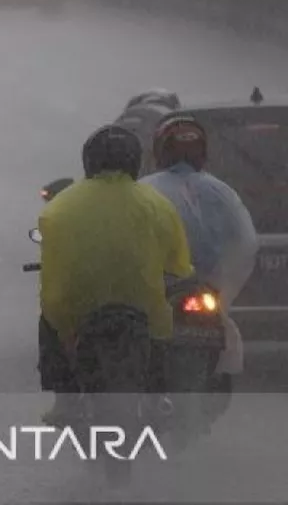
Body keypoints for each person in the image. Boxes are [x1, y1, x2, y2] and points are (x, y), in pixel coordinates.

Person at [36, 124, 194, 423]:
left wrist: (62, 318)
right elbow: (179, 265)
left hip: (81, 308)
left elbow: (53, 272)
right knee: (162, 338)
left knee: (48, 324)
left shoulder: (60, 207)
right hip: (144, 308)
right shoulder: (157, 204)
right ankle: (158, 399)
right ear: (135, 161)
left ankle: (64, 402)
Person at [140, 116, 259, 382]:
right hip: (205, 292)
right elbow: (246, 243)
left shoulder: (144, 190)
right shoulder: (222, 191)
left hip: (160, 291)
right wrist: (223, 288)